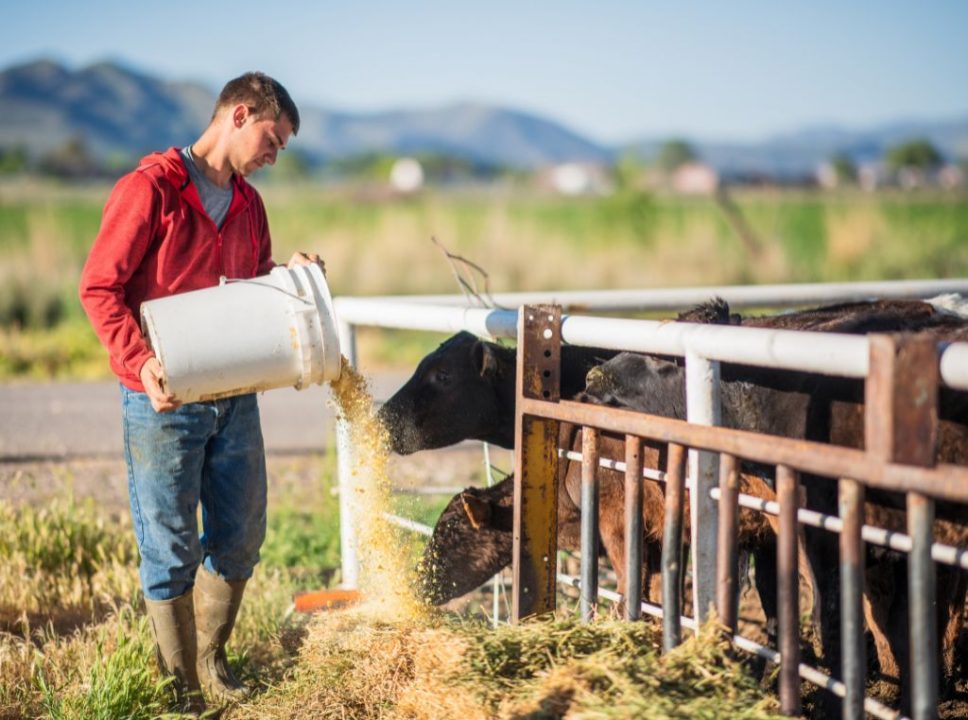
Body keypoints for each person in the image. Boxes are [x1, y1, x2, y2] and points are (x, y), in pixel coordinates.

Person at [79, 71, 321, 712]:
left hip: (236, 396)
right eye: (274, 138)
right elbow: (99, 288)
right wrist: (139, 361)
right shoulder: (150, 190)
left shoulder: (250, 205)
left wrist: (289, 278)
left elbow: (252, 286)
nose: (277, 154)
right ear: (240, 116)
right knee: (170, 546)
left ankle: (211, 661)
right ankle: (178, 685)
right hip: (163, 400)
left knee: (240, 536)